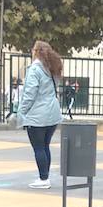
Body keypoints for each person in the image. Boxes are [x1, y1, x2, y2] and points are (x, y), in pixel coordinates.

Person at [15, 41, 64, 189]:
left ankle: (43, 179)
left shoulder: (35, 69)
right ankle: (45, 176)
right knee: (45, 146)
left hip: (37, 114)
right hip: (53, 113)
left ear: (35, 52)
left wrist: (21, 112)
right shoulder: (52, 68)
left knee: (38, 147)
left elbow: (30, 93)